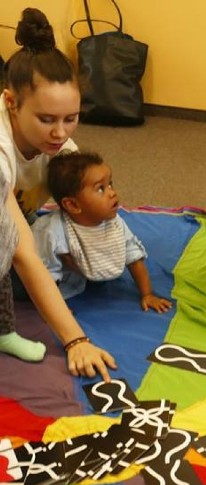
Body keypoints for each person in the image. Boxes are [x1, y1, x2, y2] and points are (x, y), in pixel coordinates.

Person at [0, 8, 109, 378]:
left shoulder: (64, 152)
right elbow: (22, 252)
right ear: (11, 103)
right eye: (46, 120)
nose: (60, 134)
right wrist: (75, 340)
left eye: (70, 118)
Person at [26, 151, 171, 312]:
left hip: (77, 277)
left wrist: (147, 294)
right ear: (73, 205)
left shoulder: (114, 223)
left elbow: (133, 255)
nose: (112, 192)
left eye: (110, 184)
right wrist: (53, 308)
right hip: (28, 274)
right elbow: (41, 273)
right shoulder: (51, 232)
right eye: (100, 189)